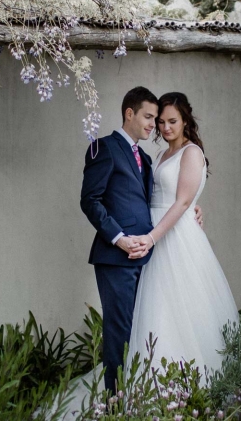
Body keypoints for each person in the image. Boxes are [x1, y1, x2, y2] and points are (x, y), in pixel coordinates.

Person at [79, 87, 204, 393]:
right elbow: (90, 200)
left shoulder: (147, 159)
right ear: (129, 114)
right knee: (118, 329)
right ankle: (113, 402)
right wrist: (119, 238)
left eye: (160, 119)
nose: (156, 126)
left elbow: (156, 199)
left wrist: (193, 208)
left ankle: (135, 394)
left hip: (149, 255)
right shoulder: (103, 148)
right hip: (116, 255)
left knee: (143, 328)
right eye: (150, 118)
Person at [125, 91, 238, 379]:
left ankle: (188, 381)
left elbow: (183, 202)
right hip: (157, 231)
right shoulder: (162, 154)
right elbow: (164, 195)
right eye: (161, 122)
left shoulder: (192, 152)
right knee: (158, 308)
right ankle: (153, 379)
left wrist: (152, 238)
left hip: (174, 239)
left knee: (181, 307)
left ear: (186, 120)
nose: (165, 128)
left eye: (172, 121)